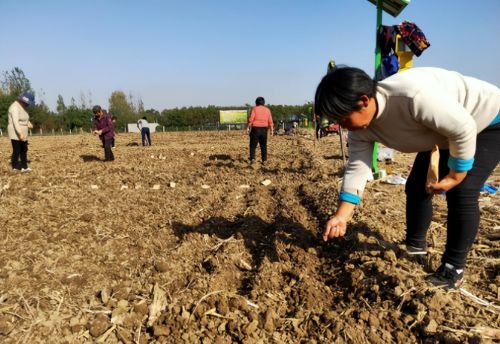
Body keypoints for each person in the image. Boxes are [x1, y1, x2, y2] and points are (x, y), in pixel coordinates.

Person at [315, 66, 500, 290]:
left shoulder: (410, 97)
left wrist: (455, 174)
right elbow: (357, 167)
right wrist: (341, 216)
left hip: (486, 121)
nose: (342, 127)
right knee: (416, 187)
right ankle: (415, 247)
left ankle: (453, 269)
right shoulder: (359, 130)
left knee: (462, 192)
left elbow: (463, 128)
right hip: (442, 133)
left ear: (364, 100)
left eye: (343, 119)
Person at [8, 92, 35, 172]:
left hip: (24, 132)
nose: (28, 105)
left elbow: (25, 118)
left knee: (24, 149)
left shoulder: (24, 107)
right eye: (28, 103)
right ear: (24, 101)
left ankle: (24, 166)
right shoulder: (15, 107)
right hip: (15, 132)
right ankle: (15, 167)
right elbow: (16, 122)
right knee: (17, 150)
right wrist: (20, 133)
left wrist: (28, 123)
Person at [247, 97, 273, 164]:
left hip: (255, 129)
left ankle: (252, 158)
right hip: (264, 129)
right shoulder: (267, 110)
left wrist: (248, 127)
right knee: (263, 145)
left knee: (252, 145)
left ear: (256, 103)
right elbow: (270, 121)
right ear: (263, 103)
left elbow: (251, 119)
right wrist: (271, 130)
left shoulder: (254, 109)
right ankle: (264, 160)